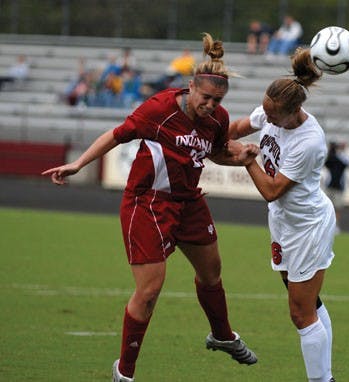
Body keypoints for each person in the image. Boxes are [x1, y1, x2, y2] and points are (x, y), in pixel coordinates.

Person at [42, 33, 258, 382]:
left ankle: (222, 335)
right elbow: (116, 134)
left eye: (217, 100)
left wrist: (241, 157)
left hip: (188, 201)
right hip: (148, 202)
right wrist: (78, 164)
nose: (210, 105)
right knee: (149, 291)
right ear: (190, 87)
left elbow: (214, 151)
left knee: (212, 272)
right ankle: (124, 372)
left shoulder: (218, 117)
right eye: (205, 98)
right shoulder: (158, 109)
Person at [229, 47, 336, 382]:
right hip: (284, 221)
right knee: (308, 303)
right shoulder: (271, 110)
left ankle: (322, 380)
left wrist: (248, 161)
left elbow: (273, 189)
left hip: (308, 226)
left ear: (295, 111)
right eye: (266, 111)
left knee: (299, 312)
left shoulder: (310, 141)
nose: (267, 119)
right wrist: (207, 137)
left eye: (274, 116)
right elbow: (236, 128)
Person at [323, 141, 349, 234]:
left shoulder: (342, 158)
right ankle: (325, 225)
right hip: (329, 185)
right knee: (326, 207)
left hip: (339, 187)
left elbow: (348, 162)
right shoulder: (332, 158)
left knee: (337, 208)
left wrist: (339, 150)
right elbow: (327, 161)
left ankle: (335, 226)